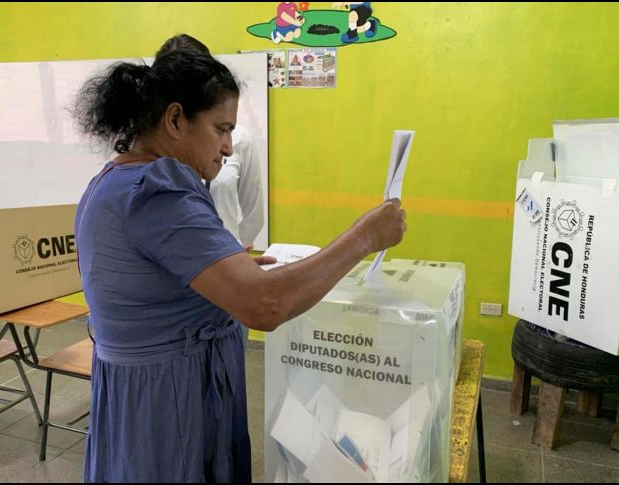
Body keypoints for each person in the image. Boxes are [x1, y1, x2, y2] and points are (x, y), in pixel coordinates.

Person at [73, 44, 406, 483]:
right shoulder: (160, 191)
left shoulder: (116, 179)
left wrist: (226, 266)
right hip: (170, 401)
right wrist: (365, 235)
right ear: (175, 120)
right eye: (221, 129)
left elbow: (150, 276)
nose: (229, 147)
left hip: (140, 393)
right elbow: (264, 305)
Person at [156, 34, 265, 344]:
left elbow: (253, 209)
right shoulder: (148, 162)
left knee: (227, 367)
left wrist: (230, 253)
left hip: (226, 275)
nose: (226, 146)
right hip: (175, 292)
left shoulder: (236, 141)